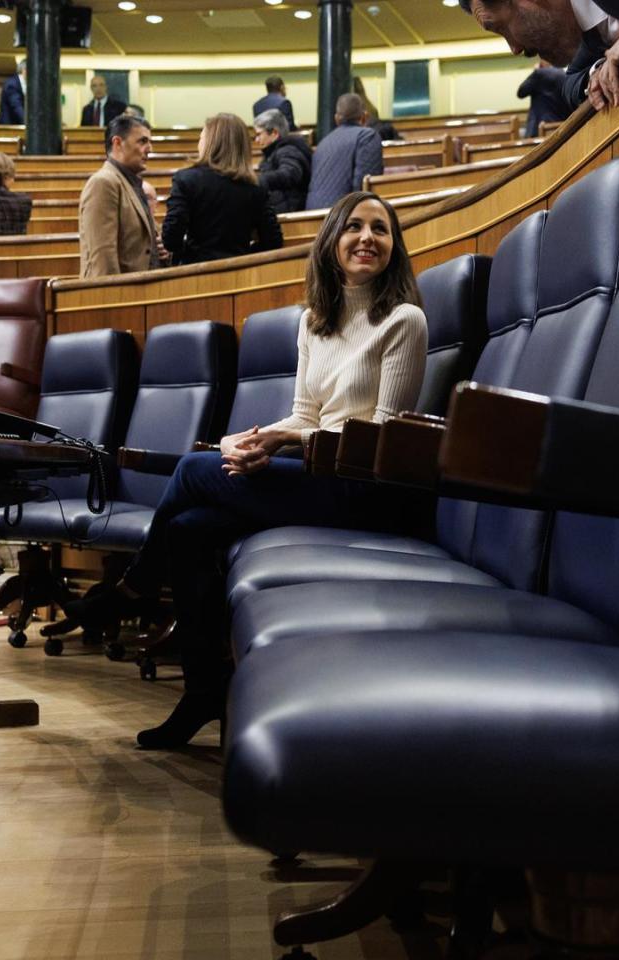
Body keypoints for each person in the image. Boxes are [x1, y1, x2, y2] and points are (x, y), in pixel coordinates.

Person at [64, 191, 428, 749]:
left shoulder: (404, 320)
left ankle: (134, 587)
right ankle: (205, 690)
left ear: (393, 248)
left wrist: (282, 437)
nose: (367, 238)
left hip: (363, 489)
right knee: (187, 531)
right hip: (313, 474)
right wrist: (261, 441)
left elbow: (381, 435)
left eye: (381, 229)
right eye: (353, 226)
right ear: (331, 242)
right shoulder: (315, 322)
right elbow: (306, 416)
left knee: (190, 470)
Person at [460, 0, 619, 113]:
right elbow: (570, 83)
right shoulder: (589, 35)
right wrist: (596, 72)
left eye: (501, 28)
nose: (514, 49)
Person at [162, 114, 281, 265]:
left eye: (201, 138)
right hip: (241, 273)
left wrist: (189, 253)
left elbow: (171, 239)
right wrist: (245, 255)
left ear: (210, 143)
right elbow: (273, 241)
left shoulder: (186, 179)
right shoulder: (256, 186)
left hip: (195, 273)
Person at [78, 114, 163, 277]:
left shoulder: (132, 182)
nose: (150, 149)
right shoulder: (103, 183)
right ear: (117, 143)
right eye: (143, 141)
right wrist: (115, 299)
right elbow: (103, 258)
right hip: (120, 295)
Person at [306, 93, 382, 211]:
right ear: (365, 117)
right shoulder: (367, 136)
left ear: (336, 119)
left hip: (311, 218)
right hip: (342, 219)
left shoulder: (323, 143)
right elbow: (364, 190)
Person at [252, 108, 311, 215]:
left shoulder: (287, 150)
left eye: (259, 134)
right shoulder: (274, 152)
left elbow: (290, 173)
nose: (256, 140)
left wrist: (261, 180)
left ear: (274, 133)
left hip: (289, 214)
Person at [517, 63, 569, 136]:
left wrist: (534, 73)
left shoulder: (539, 73)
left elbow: (521, 93)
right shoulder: (565, 74)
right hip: (560, 127)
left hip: (537, 128)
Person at [0, 59, 24, 125]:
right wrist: (29, 124)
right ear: (25, 70)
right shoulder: (12, 84)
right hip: (7, 127)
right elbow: (16, 106)